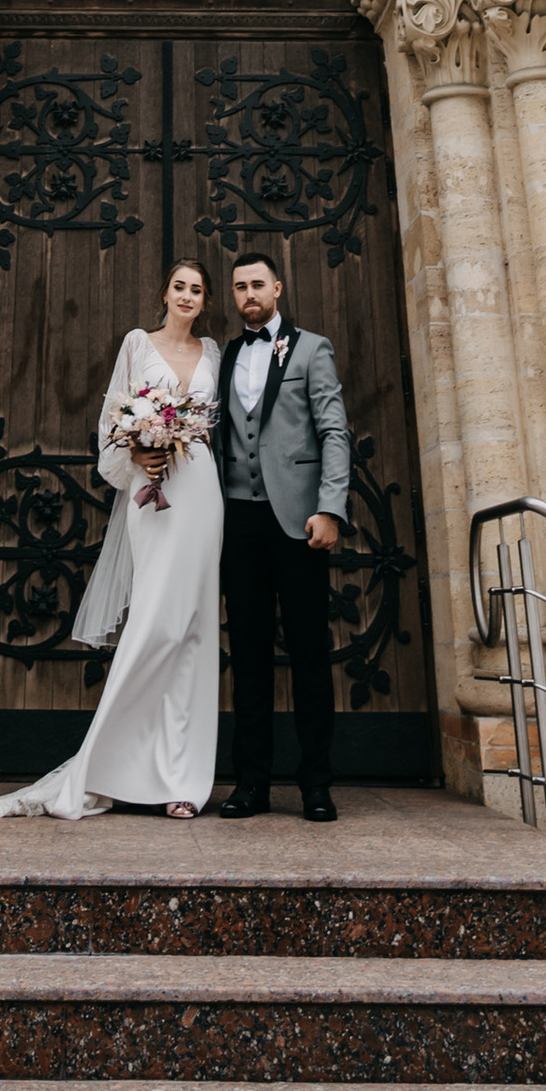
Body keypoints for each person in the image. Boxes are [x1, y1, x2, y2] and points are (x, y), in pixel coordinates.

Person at [0, 259, 220, 822]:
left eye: (197, 290)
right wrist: (139, 452)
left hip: (203, 492)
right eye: (179, 286)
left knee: (194, 630)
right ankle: (108, 767)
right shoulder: (138, 344)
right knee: (154, 625)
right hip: (153, 492)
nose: (187, 296)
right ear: (164, 293)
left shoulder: (213, 353)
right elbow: (113, 422)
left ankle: (182, 779)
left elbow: (214, 426)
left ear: (206, 301)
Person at [216, 246, 350, 823]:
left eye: (257, 285)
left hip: (299, 520)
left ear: (277, 289)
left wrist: (330, 508)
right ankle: (251, 784)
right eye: (239, 286)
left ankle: (316, 784)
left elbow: (334, 431)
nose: (248, 294)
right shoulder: (224, 355)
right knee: (247, 656)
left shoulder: (312, 348)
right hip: (237, 520)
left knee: (309, 653)